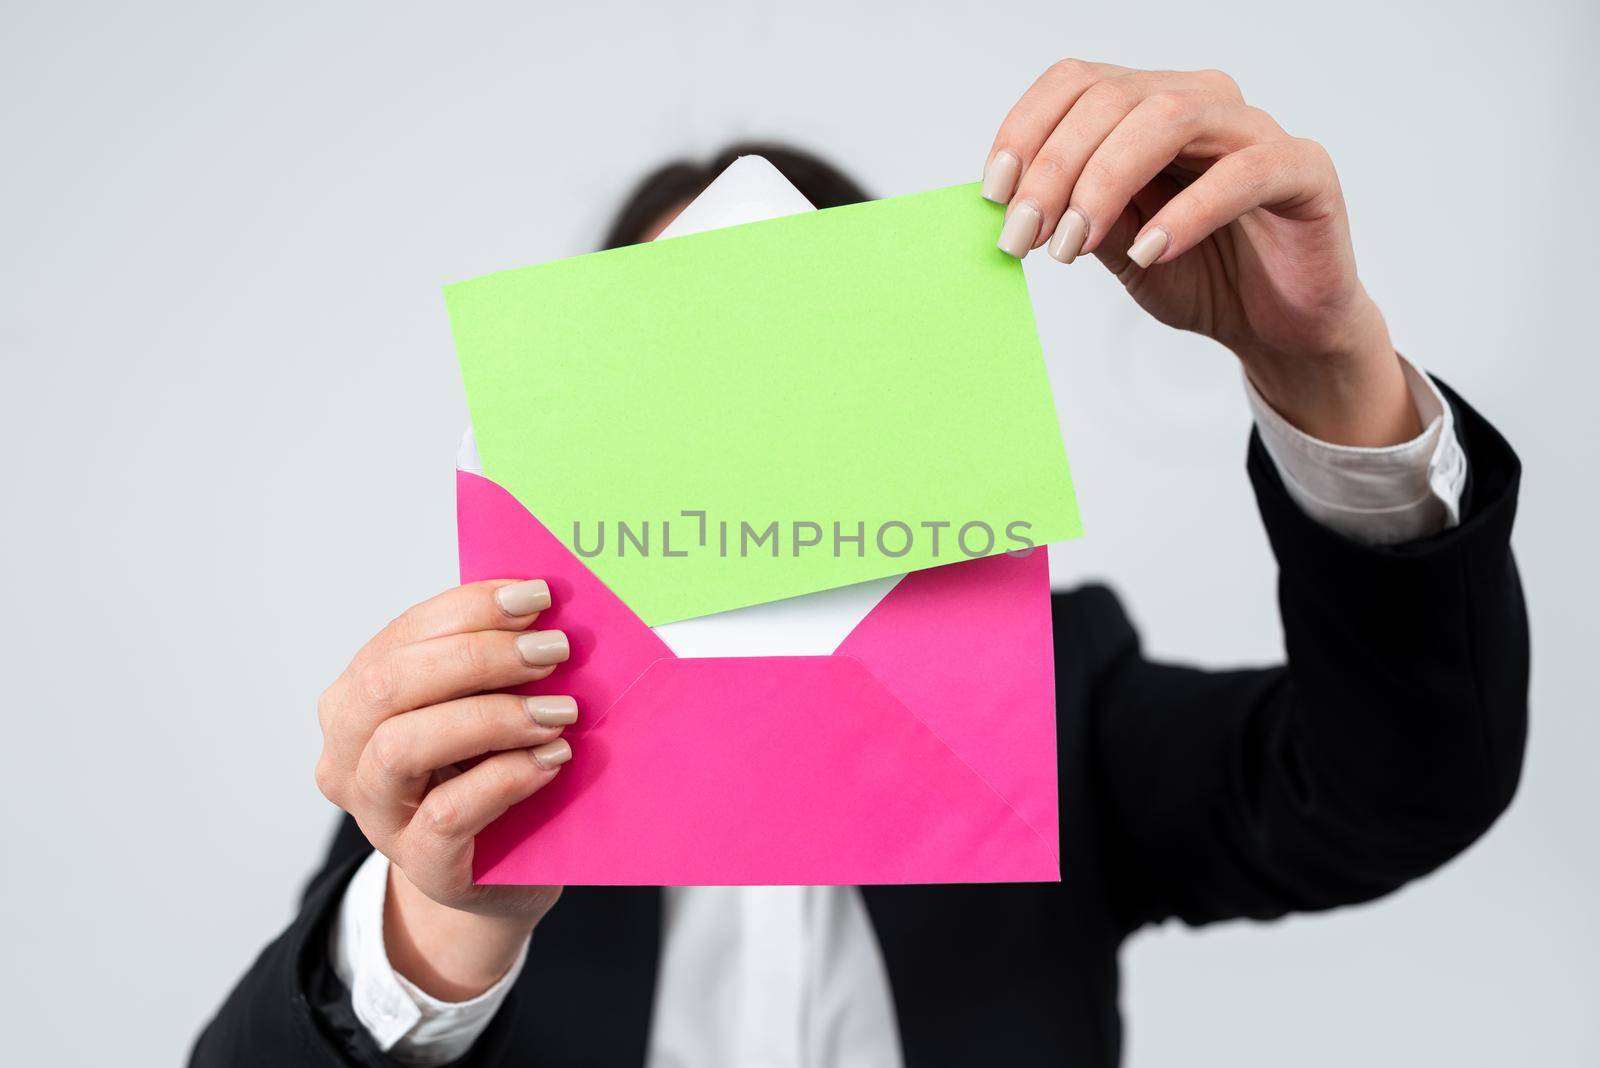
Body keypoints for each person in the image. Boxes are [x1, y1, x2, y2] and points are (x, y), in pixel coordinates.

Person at [191, 59, 1527, 1067]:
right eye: (683, 355)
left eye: (800, 351)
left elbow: (1392, 787)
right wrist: (433, 931)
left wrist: (1323, 369)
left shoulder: (1059, 698)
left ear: (904, 399)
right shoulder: (486, 751)